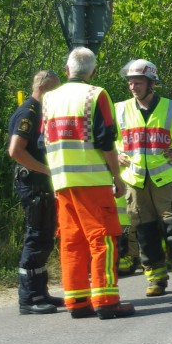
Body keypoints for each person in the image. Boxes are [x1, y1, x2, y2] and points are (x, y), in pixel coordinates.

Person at [40, 47, 135, 319]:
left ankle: (78, 302)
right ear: (92, 71)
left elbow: (40, 141)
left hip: (62, 182)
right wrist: (117, 177)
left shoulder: (48, 99)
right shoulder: (96, 94)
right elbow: (106, 142)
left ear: (67, 69)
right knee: (103, 239)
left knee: (72, 242)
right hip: (92, 181)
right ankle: (106, 301)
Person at [115, 58, 172, 297]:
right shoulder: (120, 109)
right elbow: (103, 136)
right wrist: (115, 154)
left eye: (138, 82)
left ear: (151, 83)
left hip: (164, 180)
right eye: (130, 83)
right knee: (145, 233)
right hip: (135, 181)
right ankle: (155, 280)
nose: (133, 87)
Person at [7, 69, 65, 315]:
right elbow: (16, 151)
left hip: (40, 186)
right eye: (55, 90)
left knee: (44, 238)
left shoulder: (41, 111)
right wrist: (47, 171)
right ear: (42, 88)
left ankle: (41, 292)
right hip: (32, 184)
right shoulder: (28, 113)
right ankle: (28, 299)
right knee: (36, 237)